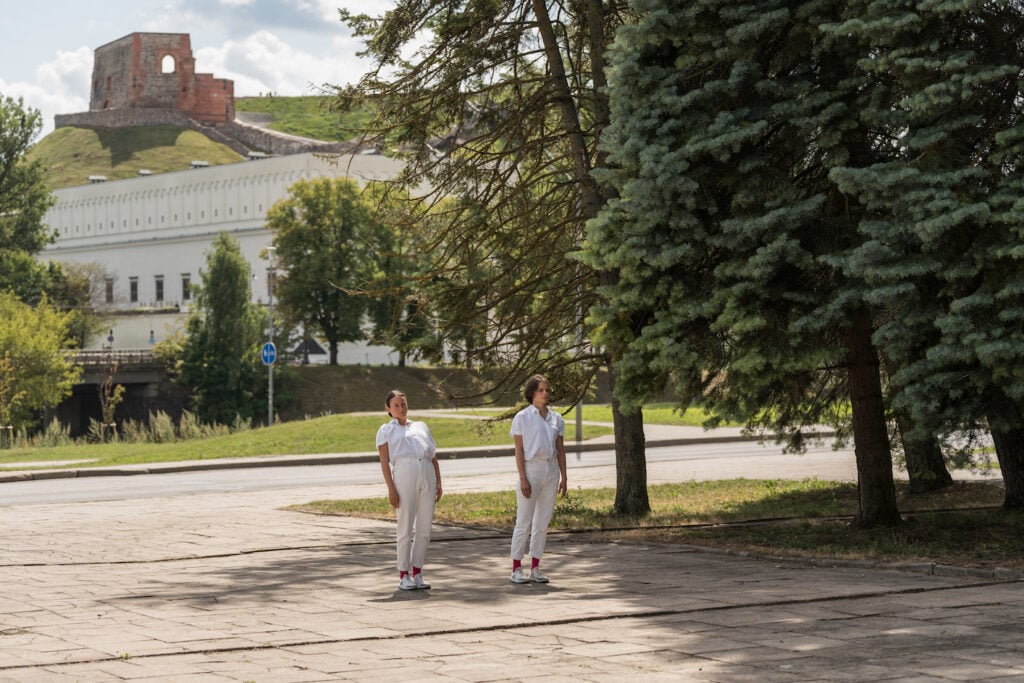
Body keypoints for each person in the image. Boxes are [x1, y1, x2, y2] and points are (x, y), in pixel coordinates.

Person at [376, 389, 443, 590]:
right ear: (388, 408)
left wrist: (438, 481)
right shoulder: (386, 430)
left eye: (403, 404)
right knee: (405, 526)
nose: (401, 408)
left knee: (424, 527)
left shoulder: (420, 426)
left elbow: (432, 456)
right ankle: (403, 573)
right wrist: (391, 488)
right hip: (404, 474)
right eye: (396, 405)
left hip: (426, 472)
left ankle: (417, 571)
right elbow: (384, 463)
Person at [508, 374, 567, 584]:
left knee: (542, 522)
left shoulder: (556, 418)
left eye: (547, 390)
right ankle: (516, 569)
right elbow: (519, 450)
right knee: (523, 521)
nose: (545, 393)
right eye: (541, 390)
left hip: (551, 470)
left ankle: (535, 567)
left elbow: (560, 449)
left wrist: (564, 477)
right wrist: (523, 478)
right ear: (532, 392)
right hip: (531, 470)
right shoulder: (523, 417)